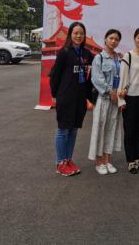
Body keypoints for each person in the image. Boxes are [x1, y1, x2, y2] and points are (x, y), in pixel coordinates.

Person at [49, 21, 94, 176]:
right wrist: (54, 95)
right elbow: (55, 75)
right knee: (63, 130)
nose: (78, 36)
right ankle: (60, 163)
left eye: (81, 33)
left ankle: (68, 159)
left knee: (73, 130)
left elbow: (96, 68)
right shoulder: (64, 52)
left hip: (79, 98)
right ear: (70, 34)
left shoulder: (87, 53)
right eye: (75, 33)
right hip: (65, 96)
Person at [88, 29, 125, 175]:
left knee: (112, 129)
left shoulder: (119, 58)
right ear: (105, 39)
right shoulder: (99, 58)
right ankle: (99, 163)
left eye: (116, 39)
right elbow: (96, 78)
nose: (113, 41)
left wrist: (120, 92)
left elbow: (124, 77)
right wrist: (110, 92)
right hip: (104, 98)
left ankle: (108, 160)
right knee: (100, 129)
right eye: (111, 38)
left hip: (116, 99)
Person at [118, 27, 139, 174]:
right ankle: (130, 161)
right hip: (131, 98)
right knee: (130, 130)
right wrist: (121, 100)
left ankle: (137, 158)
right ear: (134, 39)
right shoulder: (128, 56)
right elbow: (123, 79)